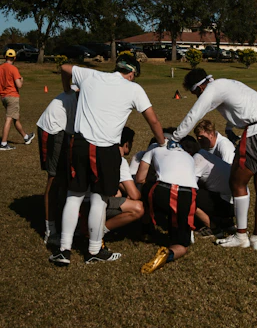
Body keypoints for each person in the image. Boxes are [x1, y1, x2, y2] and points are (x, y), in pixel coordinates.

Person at [49, 54, 165, 266]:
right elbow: (153, 119)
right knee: (99, 199)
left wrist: (67, 89)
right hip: (107, 149)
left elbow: (65, 67)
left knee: (74, 196)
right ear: (132, 73)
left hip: (81, 144)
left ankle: (63, 250)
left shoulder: (91, 75)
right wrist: (162, 142)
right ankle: (94, 249)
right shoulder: (134, 88)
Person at [170, 68, 257, 250]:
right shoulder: (228, 83)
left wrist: (175, 138)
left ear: (200, 88)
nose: (197, 97)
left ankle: (241, 236)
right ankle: (256, 238)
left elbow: (194, 115)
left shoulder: (212, 89)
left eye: (195, 94)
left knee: (237, 182)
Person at [136, 136, 198, 274]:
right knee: (182, 245)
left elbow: (140, 178)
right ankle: (168, 254)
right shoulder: (188, 156)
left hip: (161, 190)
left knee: (146, 189)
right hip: (188, 193)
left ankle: (146, 229)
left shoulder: (154, 147)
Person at [36, 87, 78, 245]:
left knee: (66, 175)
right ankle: (50, 230)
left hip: (66, 129)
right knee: (54, 177)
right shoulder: (85, 88)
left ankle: (68, 222)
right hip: (53, 128)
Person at [0, 49, 35, 150]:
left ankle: (26, 137)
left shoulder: (0, 68)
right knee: (9, 119)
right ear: (14, 58)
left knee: (16, 118)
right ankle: (3, 143)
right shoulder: (13, 69)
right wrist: (21, 80)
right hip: (12, 96)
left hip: (3, 97)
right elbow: (19, 85)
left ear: (5, 57)